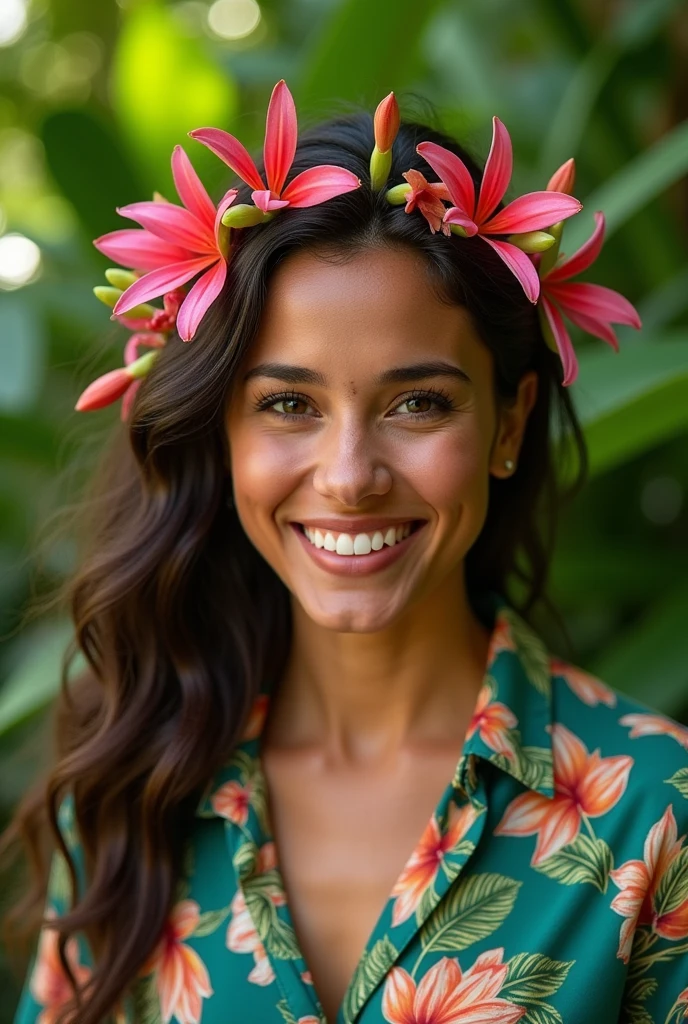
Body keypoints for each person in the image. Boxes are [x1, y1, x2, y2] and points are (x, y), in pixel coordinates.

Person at [3, 81, 687, 1024]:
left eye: (420, 403)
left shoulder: (658, 818)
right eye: (288, 404)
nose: (350, 475)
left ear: (509, 422)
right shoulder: (132, 793)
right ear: (221, 433)